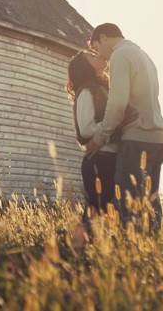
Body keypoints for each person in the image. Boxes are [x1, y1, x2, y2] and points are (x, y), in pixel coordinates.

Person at [86, 23, 163, 232]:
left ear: (103, 38)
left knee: (127, 201)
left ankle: (129, 252)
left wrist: (101, 136)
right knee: (150, 200)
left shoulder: (120, 56)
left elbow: (118, 103)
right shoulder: (143, 56)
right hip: (158, 138)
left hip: (137, 138)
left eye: (96, 48)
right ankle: (153, 249)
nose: (100, 56)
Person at [66, 52, 118, 223]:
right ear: (86, 66)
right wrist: (113, 129)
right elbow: (86, 129)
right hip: (99, 160)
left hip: (111, 158)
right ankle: (81, 246)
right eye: (92, 57)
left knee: (110, 212)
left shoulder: (104, 87)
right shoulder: (86, 92)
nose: (99, 57)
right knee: (96, 213)